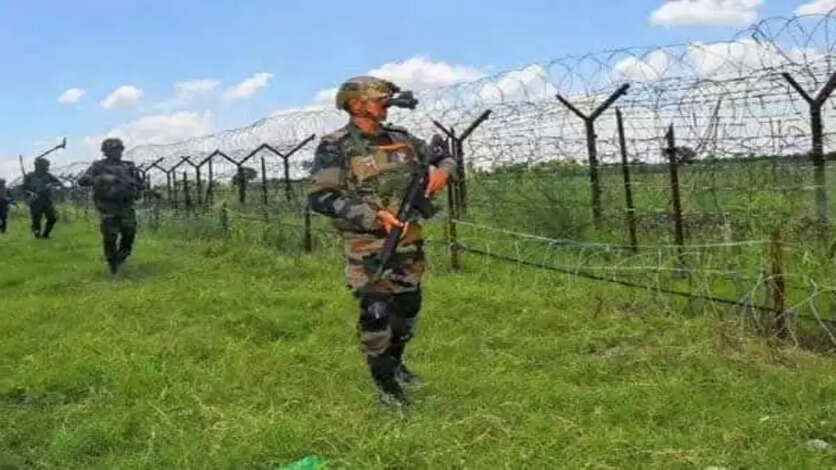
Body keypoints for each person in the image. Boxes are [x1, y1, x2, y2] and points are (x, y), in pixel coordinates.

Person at [307, 76, 456, 407]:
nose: (386, 104)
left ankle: (396, 362)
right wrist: (374, 217)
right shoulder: (336, 146)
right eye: (379, 99)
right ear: (355, 104)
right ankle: (385, 382)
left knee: (407, 310)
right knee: (376, 313)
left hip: (409, 243)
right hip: (367, 248)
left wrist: (442, 171)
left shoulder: (401, 139)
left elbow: (444, 155)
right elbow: (321, 197)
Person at [78, 138, 144, 274]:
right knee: (110, 235)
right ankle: (112, 262)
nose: (117, 152)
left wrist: (143, 191)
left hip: (126, 204)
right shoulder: (98, 166)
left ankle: (122, 256)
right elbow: (83, 181)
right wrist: (101, 178)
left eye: (119, 149)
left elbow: (138, 183)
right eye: (113, 150)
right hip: (106, 204)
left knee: (129, 232)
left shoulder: (128, 166)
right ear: (106, 151)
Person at [22, 157, 62, 239]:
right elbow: (24, 188)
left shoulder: (48, 175)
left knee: (52, 218)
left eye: (47, 166)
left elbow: (59, 183)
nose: (47, 168)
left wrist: (51, 184)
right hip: (35, 200)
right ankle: (37, 236)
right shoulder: (30, 176)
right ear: (38, 166)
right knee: (36, 220)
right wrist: (30, 194)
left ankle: (45, 235)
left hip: (46, 200)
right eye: (45, 166)